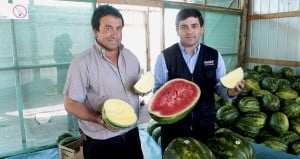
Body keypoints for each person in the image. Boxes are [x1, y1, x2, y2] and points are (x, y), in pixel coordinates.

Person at [63, 5, 149, 159]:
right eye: (108, 28)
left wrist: (143, 89)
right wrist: (97, 118)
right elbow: (70, 103)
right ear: (96, 31)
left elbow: (138, 86)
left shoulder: (131, 57)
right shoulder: (82, 63)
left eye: (118, 28)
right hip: (101, 140)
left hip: (132, 135)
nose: (115, 34)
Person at [153, 8, 245, 152]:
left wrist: (231, 92)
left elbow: (219, 88)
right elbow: (158, 90)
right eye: (184, 27)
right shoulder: (165, 57)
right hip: (173, 129)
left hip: (204, 127)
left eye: (194, 26)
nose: (189, 31)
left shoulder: (214, 55)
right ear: (177, 30)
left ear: (202, 29)